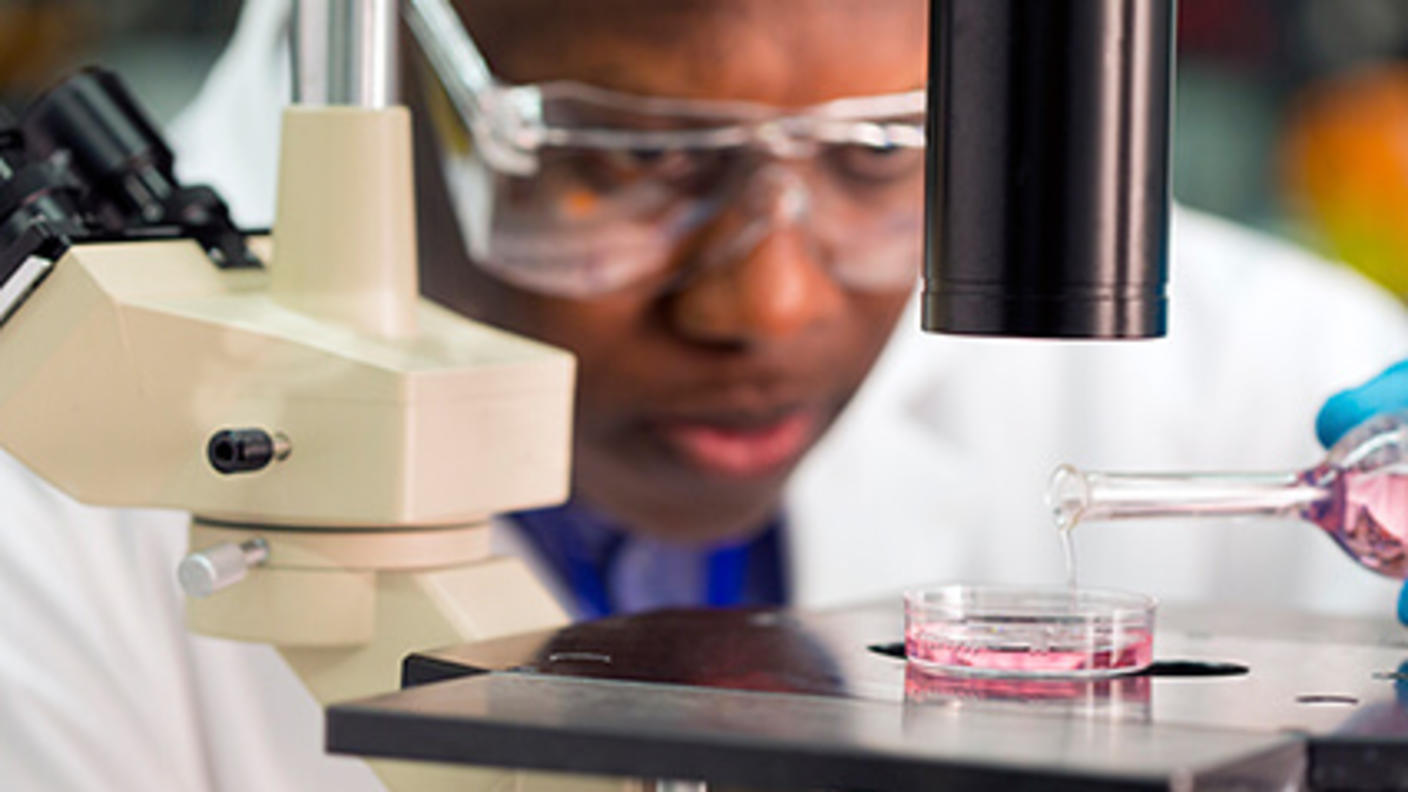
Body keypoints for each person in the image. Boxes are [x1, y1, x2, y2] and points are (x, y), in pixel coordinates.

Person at [2, 0, 1406, 789]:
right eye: (628, 159)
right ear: (403, 69)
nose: (767, 304)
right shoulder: (43, 499)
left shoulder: (1258, 373)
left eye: (879, 156)